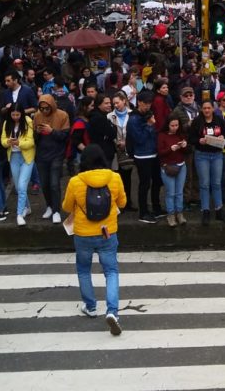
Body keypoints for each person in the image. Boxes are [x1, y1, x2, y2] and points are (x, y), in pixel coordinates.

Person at [61, 143, 127, 335]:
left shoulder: (75, 181)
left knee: (83, 269)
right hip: (108, 231)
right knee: (111, 271)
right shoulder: (114, 178)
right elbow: (122, 202)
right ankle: (112, 311)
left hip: (83, 233)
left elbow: (66, 206)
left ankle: (90, 306)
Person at [188, 98, 225, 226]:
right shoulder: (197, 121)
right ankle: (205, 210)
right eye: (204, 108)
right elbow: (191, 138)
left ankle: (219, 209)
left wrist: (223, 137)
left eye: (209, 108)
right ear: (202, 109)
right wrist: (198, 141)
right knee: (204, 184)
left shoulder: (219, 120)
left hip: (217, 154)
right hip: (202, 155)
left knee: (216, 183)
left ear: (213, 108)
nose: (207, 110)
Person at [33, 93, 69, 225]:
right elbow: (34, 139)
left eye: (46, 108)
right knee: (44, 183)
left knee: (54, 184)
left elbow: (65, 136)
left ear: (52, 106)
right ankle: (49, 206)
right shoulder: (37, 116)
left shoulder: (62, 115)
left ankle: (56, 211)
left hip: (57, 154)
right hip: (41, 154)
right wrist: (37, 132)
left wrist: (51, 131)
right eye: (41, 108)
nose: (44, 111)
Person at [126, 91, 162, 223]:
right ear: (139, 102)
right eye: (145, 103)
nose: (148, 106)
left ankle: (156, 208)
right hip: (142, 156)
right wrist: (149, 125)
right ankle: (143, 212)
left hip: (154, 153)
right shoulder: (134, 119)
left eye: (149, 103)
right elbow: (139, 139)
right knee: (144, 184)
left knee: (157, 182)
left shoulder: (148, 115)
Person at [1, 104, 36, 226]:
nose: (15, 117)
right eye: (13, 115)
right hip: (14, 157)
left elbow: (31, 142)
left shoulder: (28, 121)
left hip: (27, 157)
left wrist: (19, 143)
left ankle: (19, 214)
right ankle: (27, 207)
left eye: (18, 115)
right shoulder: (7, 123)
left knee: (21, 186)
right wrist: (8, 142)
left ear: (22, 114)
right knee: (18, 186)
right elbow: (3, 141)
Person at [157, 116, 188, 227]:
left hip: (181, 165)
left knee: (179, 192)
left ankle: (179, 213)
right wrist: (171, 149)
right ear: (168, 125)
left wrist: (184, 146)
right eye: (172, 125)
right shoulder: (162, 135)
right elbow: (160, 152)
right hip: (168, 166)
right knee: (170, 192)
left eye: (176, 125)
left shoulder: (180, 134)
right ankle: (170, 214)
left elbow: (186, 151)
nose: (175, 128)